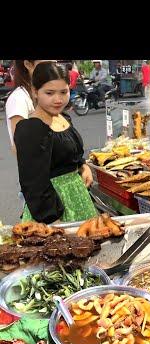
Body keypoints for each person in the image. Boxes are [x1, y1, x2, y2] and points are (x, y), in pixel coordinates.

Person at [14, 62, 96, 223]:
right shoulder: (30, 129)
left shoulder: (64, 117)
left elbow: (71, 153)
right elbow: (33, 183)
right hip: (53, 210)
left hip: (79, 198)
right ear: (35, 92)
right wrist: (51, 219)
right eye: (49, 93)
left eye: (63, 92)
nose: (58, 99)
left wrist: (83, 166)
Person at [5, 60, 48, 154]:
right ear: (28, 64)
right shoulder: (19, 98)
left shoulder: (41, 92)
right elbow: (19, 146)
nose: (54, 62)